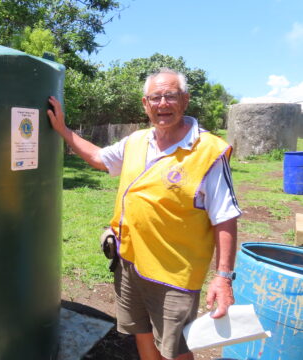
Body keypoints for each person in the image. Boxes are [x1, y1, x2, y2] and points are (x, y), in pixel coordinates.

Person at [47, 68, 241, 360]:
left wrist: (223, 277)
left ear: (185, 100)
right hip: (130, 262)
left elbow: (225, 216)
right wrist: (63, 130)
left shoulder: (208, 151)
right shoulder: (136, 141)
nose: (163, 104)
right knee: (141, 331)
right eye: (156, 97)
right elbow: (100, 158)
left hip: (174, 273)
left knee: (175, 348)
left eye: (171, 96)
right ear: (145, 104)